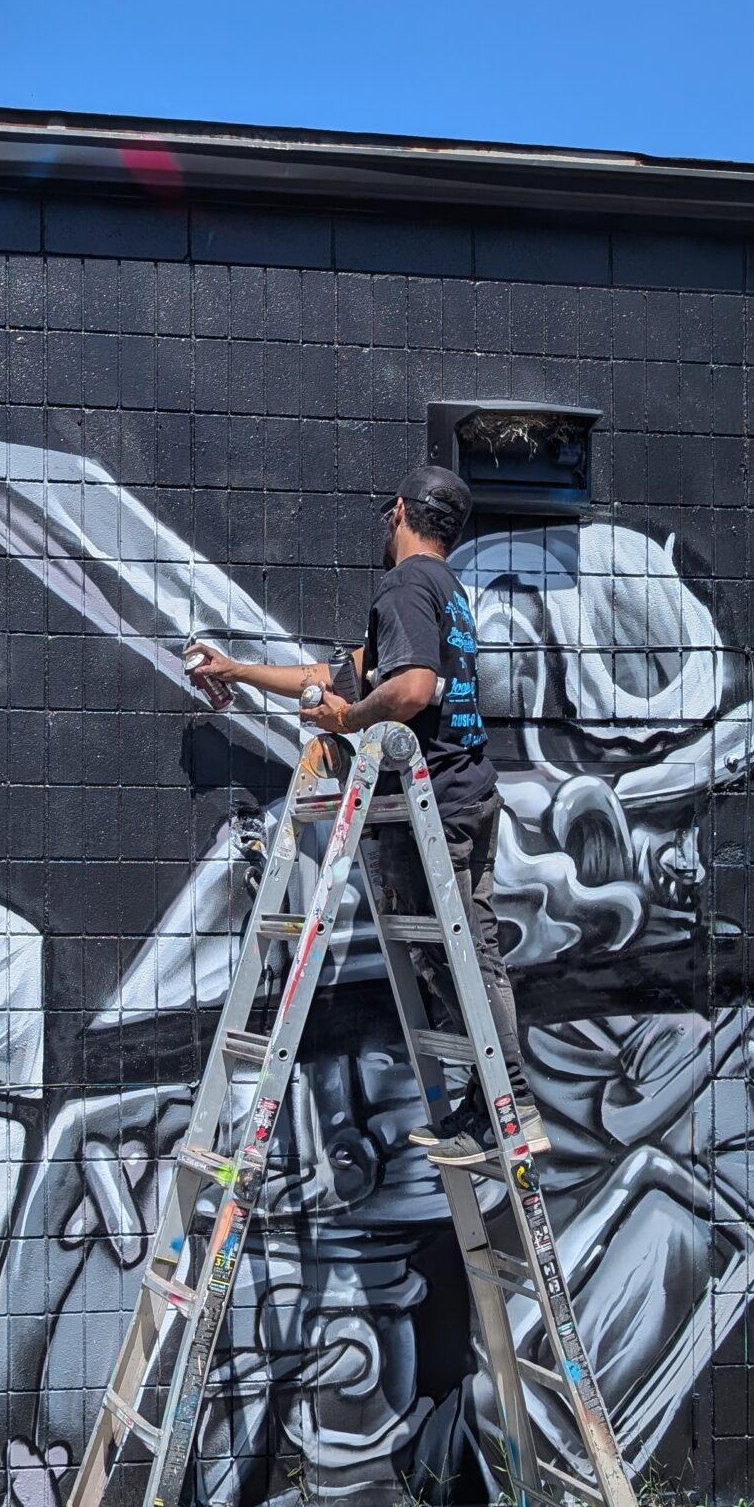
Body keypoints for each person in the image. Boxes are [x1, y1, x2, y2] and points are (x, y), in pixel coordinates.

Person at [187, 462, 528, 1166]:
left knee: (457, 958)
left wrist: (349, 719)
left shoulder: (405, 586)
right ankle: (496, 1104)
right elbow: (333, 675)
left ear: (399, 511)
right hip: (468, 794)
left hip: (437, 804)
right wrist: (237, 670)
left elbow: (411, 689)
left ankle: (508, 1105)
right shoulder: (444, 591)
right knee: (466, 954)